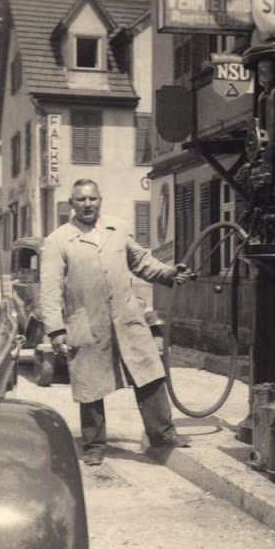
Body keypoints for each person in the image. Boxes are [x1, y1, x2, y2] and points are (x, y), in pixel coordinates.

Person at [40, 178, 194, 466]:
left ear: (100, 200)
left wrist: (170, 273)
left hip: (127, 316)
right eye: (81, 200)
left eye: (93, 199)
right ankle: (95, 445)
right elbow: (49, 289)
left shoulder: (118, 229)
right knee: (89, 384)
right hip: (86, 321)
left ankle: (163, 434)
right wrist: (56, 330)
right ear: (71, 204)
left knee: (148, 372)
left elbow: (142, 262)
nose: (88, 204)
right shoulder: (58, 240)